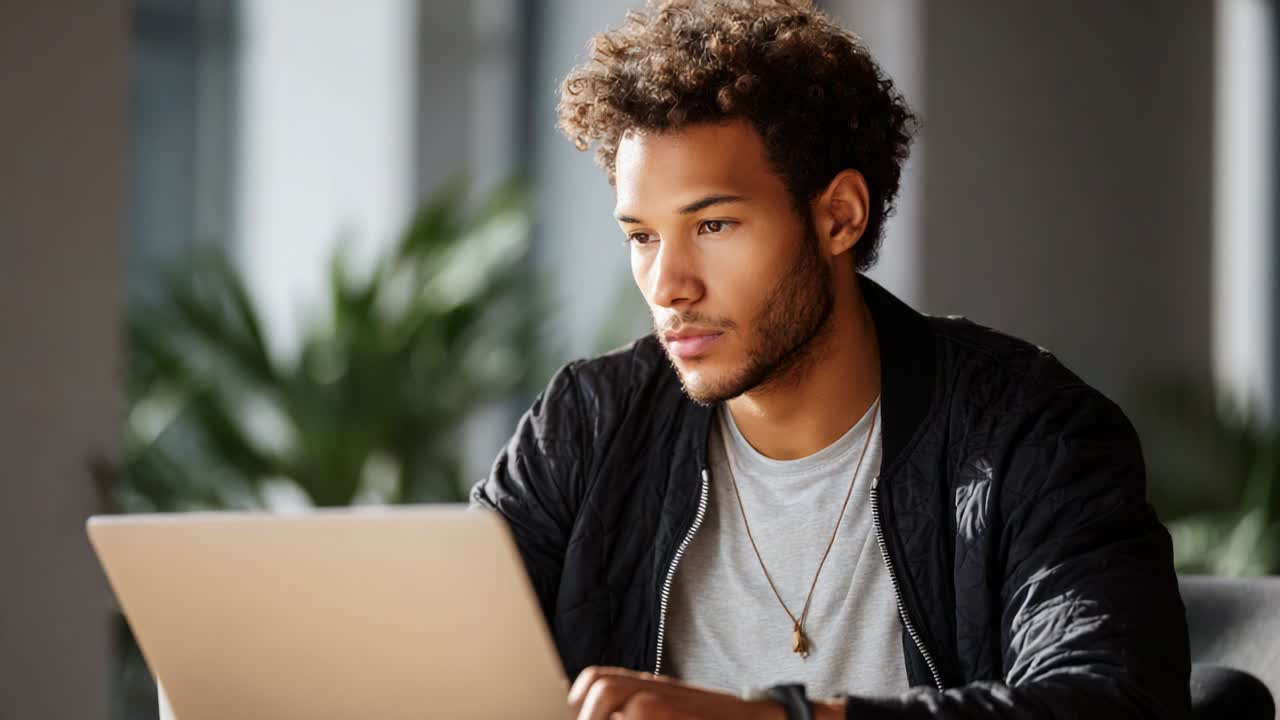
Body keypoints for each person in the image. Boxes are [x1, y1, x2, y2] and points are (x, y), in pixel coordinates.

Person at [470, 1, 1191, 718]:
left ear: (840, 215)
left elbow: (1112, 697)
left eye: (713, 224)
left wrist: (777, 719)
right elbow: (445, 653)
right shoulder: (589, 425)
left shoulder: (1026, 435)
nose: (668, 286)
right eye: (643, 237)